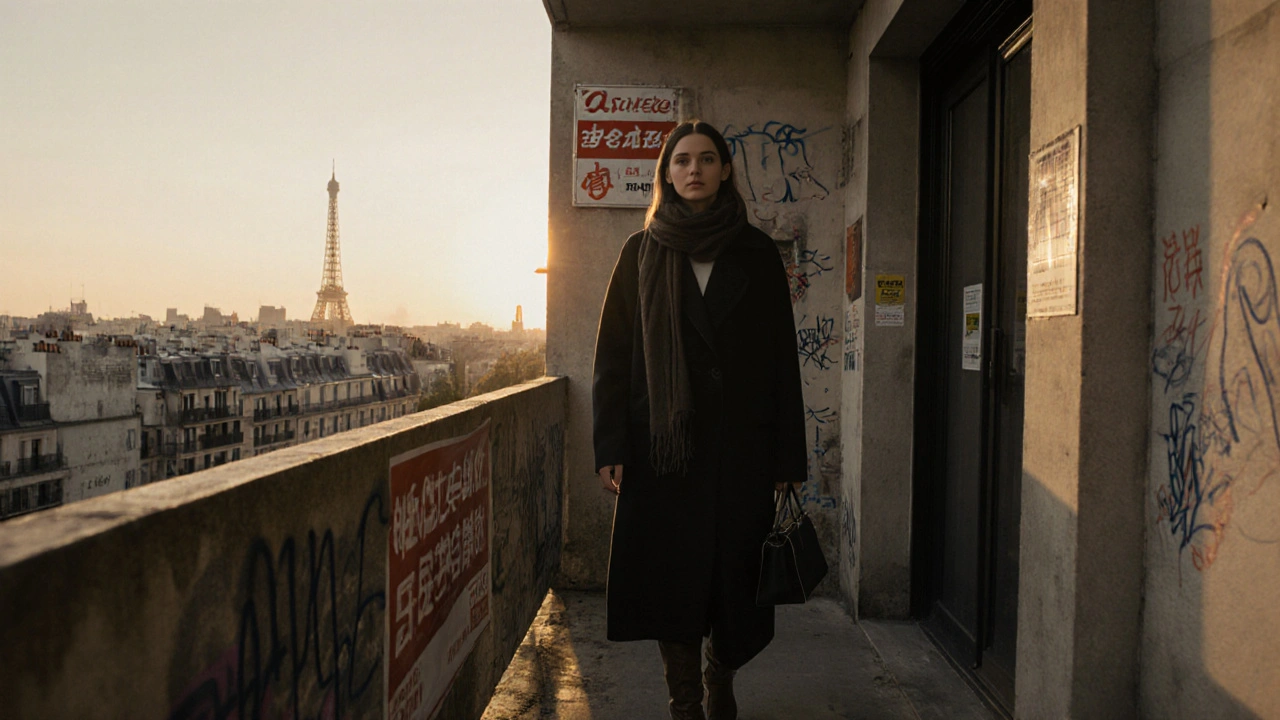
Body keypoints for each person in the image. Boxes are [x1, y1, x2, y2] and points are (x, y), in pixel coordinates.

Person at [591, 119, 807, 720]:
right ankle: (685, 701)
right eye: (682, 160)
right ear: (666, 172)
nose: (694, 170)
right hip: (664, 453)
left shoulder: (757, 252)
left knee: (735, 585)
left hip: (741, 451)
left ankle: (721, 674)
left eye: (707, 159)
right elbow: (612, 357)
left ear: (725, 170)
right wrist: (610, 443)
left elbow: (781, 359)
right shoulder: (640, 252)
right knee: (673, 585)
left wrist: (788, 459)